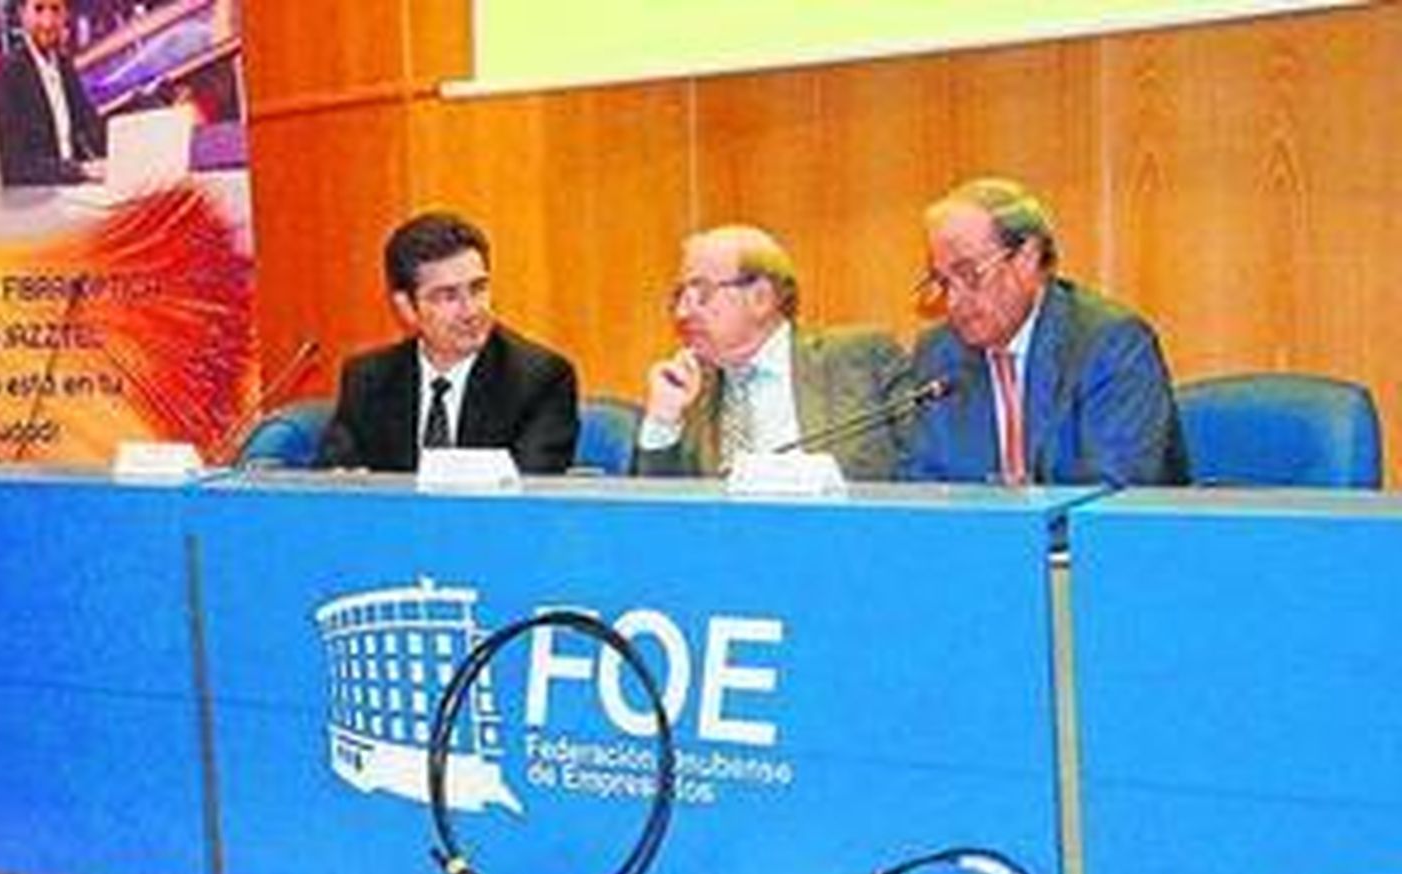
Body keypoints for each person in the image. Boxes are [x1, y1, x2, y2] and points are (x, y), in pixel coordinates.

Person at [899, 176, 1187, 486]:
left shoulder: (1111, 345)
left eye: (969, 275)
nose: (953, 301)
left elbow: (1114, 496)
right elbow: (921, 485)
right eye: (942, 283)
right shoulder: (939, 355)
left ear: (1027, 259)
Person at [636, 225, 910, 479]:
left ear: (761, 297)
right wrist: (664, 419)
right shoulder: (692, 388)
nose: (683, 313)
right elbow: (658, 514)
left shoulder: (859, 360)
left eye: (701, 293)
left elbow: (921, 474)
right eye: (679, 297)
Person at [316, 212, 578, 474]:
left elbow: (529, 493)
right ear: (407, 308)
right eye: (448, 296)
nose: (471, 311)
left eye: (478, 289)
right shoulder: (368, 380)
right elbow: (337, 481)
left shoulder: (539, 380)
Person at [0, 0, 106, 187]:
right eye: (39, 9)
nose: (48, 22)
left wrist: (118, 156)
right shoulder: (8, 74)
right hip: (33, 198)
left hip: (71, 189)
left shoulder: (65, 66)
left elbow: (89, 125)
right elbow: (13, 165)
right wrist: (80, 171)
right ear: (22, 15)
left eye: (55, 10)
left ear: (65, 15)